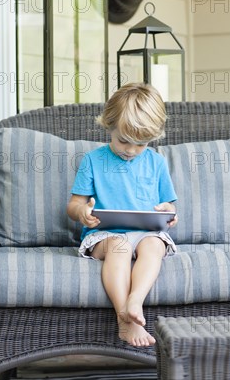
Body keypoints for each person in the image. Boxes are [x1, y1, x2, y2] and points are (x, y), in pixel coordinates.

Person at [67, 83, 178, 347]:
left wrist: (170, 213)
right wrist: (82, 212)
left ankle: (135, 301)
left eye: (140, 144)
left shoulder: (156, 162)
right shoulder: (94, 160)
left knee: (154, 244)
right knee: (120, 245)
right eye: (123, 141)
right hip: (104, 235)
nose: (130, 150)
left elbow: (170, 205)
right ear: (109, 126)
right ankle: (124, 319)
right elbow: (73, 205)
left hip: (145, 233)